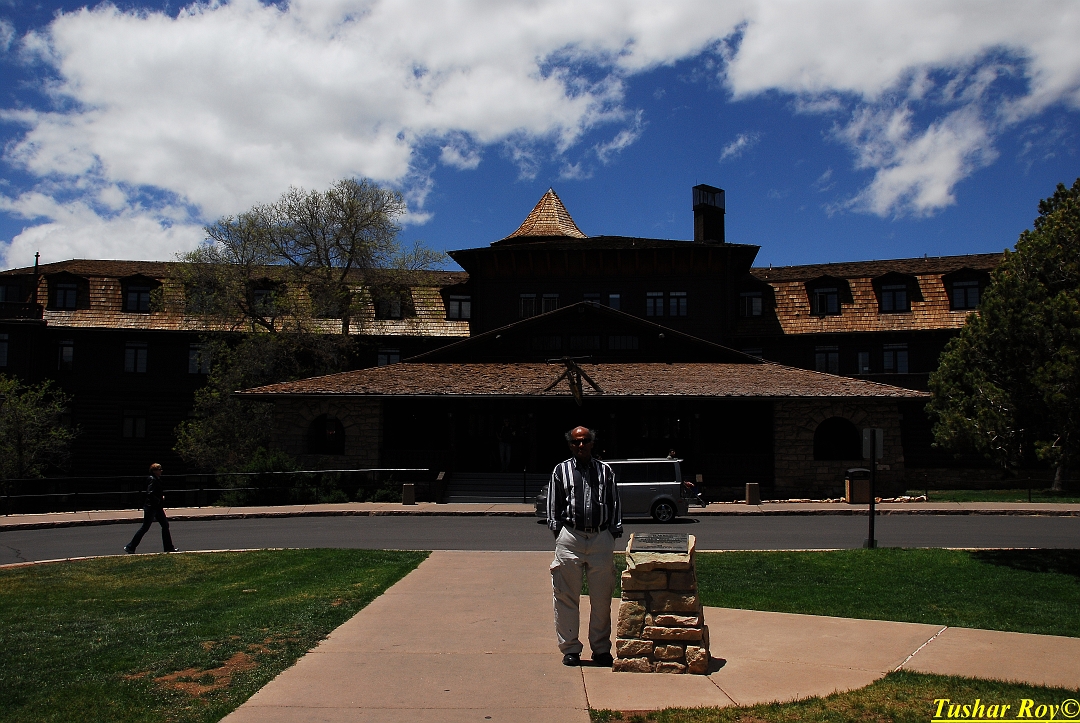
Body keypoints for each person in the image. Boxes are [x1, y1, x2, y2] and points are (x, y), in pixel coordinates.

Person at [546, 426, 622, 668]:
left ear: (592, 443)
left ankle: (601, 649)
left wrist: (611, 533)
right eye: (576, 442)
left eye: (585, 441)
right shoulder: (561, 471)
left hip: (600, 538)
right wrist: (560, 533)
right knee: (566, 596)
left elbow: (614, 502)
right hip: (571, 537)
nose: (581, 445)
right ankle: (570, 648)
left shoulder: (605, 471)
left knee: (602, 598)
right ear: (570, 445)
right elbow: (554, 505)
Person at [124, 463, 177, 553]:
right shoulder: (152, 480)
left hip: (157, 507)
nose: (161, 471)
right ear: (154, 471)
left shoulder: (156, 479)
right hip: (151, 507)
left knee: (165, 525)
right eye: (159, 469)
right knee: (145, 527)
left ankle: (168, 547)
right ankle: (130, 546)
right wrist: (159, 499)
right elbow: (150, 493)